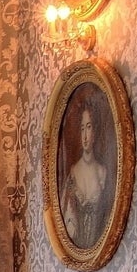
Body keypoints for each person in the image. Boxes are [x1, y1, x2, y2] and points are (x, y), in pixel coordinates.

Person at [58, 100, 108, 249]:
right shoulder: (73, 173)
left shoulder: (103, 172)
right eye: (82, 129)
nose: (85, 135)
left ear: (95, 131)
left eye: (89, 127)